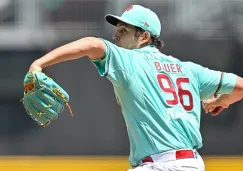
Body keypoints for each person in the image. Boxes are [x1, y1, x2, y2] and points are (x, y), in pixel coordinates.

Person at [26, 4, 243, 171]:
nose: (115, 35)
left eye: (123, 30)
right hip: (193, 164)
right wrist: (221, 101)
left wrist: (39, 64)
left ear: (144, 36)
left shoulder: (130, 61)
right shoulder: (189, 70)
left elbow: (91, 44)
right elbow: (240, 87)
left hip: (160, 165)